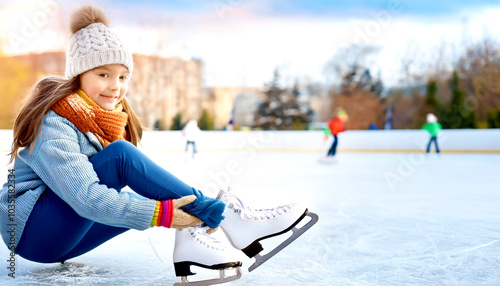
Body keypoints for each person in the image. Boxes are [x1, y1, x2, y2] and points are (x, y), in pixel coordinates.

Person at [0, 6, 317, 285]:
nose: (116, 86)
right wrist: (162, 213)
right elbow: (85, 198)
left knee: (145, 194)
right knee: (123, 161)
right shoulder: (53, 122)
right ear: (78, 76)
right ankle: (226, 219)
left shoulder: (104, 120)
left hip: (64, 240)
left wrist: (172, 212)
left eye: (123, 77)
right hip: (29, 235)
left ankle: (193, 236)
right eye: (103, 74)